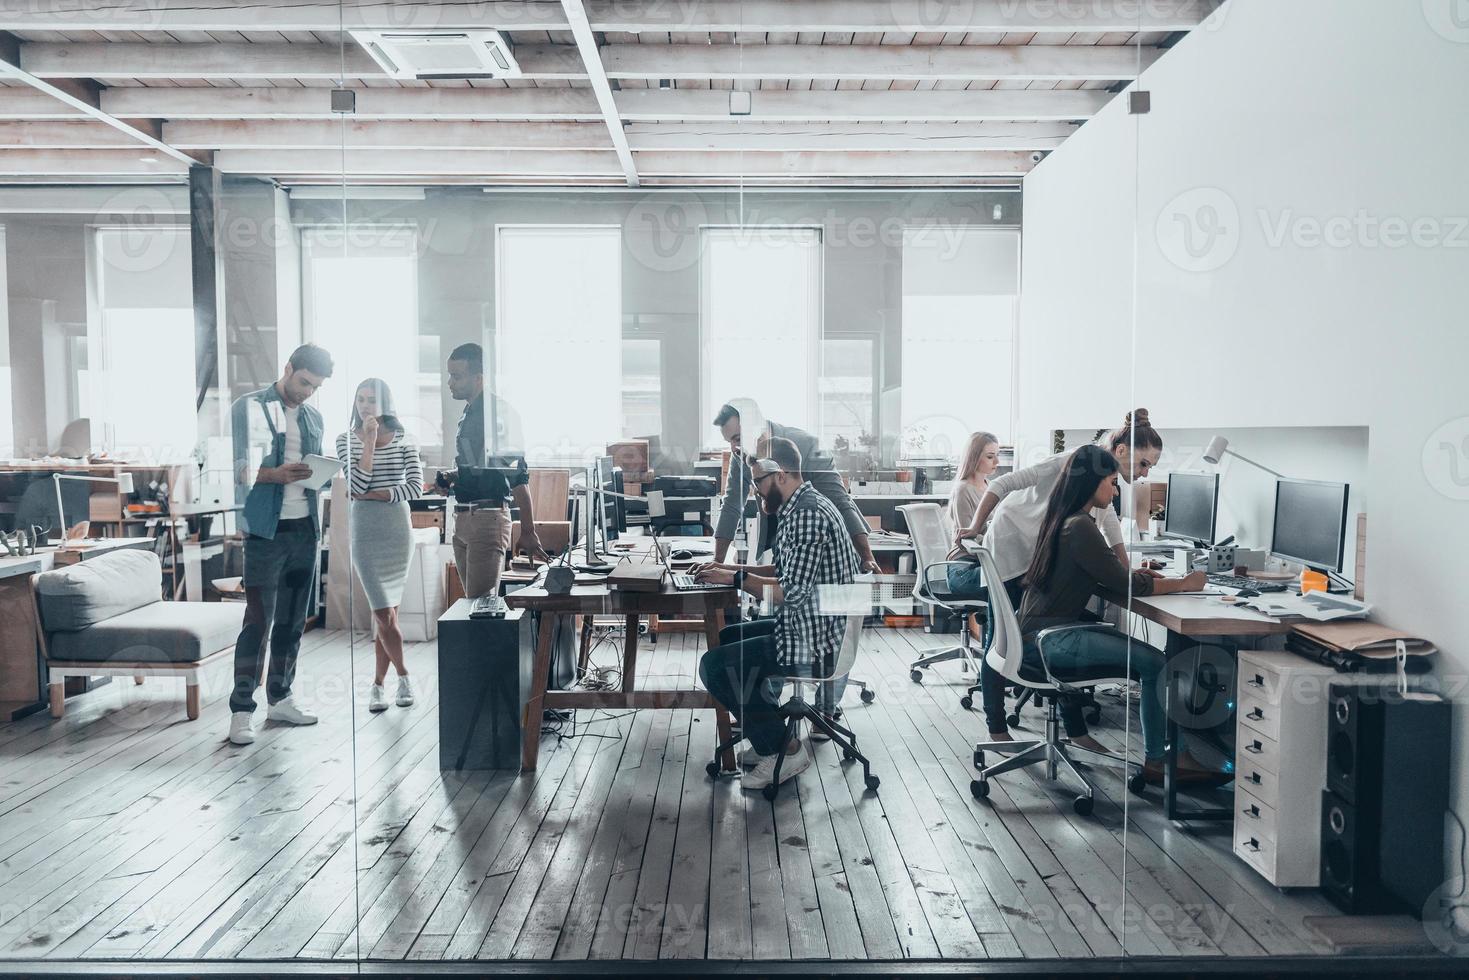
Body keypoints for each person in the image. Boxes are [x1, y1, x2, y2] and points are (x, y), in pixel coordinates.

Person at [958, 409, 1164, 746]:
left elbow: (1111, 526)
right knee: (1002, 639)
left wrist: (1124, 572)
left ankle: (1076, 731)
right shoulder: (1076, 462)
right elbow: (1003, 483)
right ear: (1122, 451)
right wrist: (976, 526)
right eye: (1143, 464)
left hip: (1040, 552)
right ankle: (996, 728)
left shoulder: (1102, 480)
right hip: (1012, 548)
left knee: (1064, 623)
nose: (1143, 474)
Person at [1016, 445, 1221, 784]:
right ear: (1093, 483)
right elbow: (1127, 586)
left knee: (1155, 661)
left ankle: (1171, 753)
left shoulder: (1064, 518)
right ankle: (1161, 760)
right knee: (1158, 664)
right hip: (1053, 640)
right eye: (1112, 482)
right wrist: (1186, 583)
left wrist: (1142, 577)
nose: (1115, 491)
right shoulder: (1079, 526)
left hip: (1038, 635)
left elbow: (1114, 576)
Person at [696, 437, 861, 792]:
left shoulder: (806, 515)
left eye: (758, 481)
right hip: (817, 626)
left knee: (714, 665)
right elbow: (786, 571)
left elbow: (790, 593)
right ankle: (770, 731)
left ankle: (783, 748)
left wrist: (738, 579)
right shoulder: (803, 505)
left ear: (781, 474)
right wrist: (728, 569)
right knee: (727, 639)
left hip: (817, 642)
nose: (754, 490)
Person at [227, 344, 333, 747]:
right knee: (258, 623)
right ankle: (241, 711)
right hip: (263, 533)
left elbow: (313, 475)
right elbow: (235, 468)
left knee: (292, 623)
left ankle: (281, 697)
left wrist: (319, 475)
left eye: (315, 386)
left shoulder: (313, 417)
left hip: (304, 530)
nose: (307, 391)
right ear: (287, 369)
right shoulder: (248, 407)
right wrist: (277, 474)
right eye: (304, 381)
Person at [710, 398, 880, 574]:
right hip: (782, 539)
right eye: (728, 441)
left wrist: (868, 558)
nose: (733, 448)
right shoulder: (740, 454)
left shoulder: (807, 445)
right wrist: (717, 563)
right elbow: (732, 505)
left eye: (737, 439)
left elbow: (840, 502)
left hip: (821, 541)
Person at [336, 379, 423, 713]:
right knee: (384, 613)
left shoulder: (405, 439)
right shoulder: (345, 440)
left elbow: (415, 487)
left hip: (397, 532)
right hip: (366, 534)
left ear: (386, 403)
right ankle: (404, 675)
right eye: (360, 399)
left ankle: (376, 686)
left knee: (386, 617)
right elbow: (355, 483)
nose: (365, 406)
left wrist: (374, 495)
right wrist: (369, 441)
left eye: (372, 400)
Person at [439, 342, 549, 598]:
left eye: (457, 376)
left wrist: (529, 530)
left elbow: (518, 476)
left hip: (487, 520)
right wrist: (451, 477)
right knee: (471, 607)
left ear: (478, 378)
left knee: (480, 609)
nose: (450, 383)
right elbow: (479, 468)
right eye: (450, 375)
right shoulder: (468, 413)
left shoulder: (498, 415)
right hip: (464, 519)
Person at [942, 432, 1001, 641]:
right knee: (1007, 583)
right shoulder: (963, 490)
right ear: (975, 457)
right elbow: (968, 542)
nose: (997, 462)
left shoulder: (991, 488)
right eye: (990, 456)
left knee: (1014, 580)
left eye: (997, 455)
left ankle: (1001, 651)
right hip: (963, 569)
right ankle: (995, 652)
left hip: (983, 565)